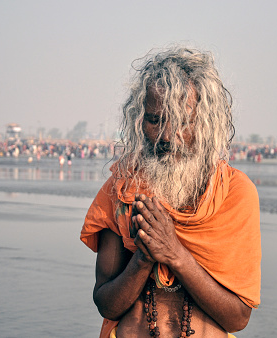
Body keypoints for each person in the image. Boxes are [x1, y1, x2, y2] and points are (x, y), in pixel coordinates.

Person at [80, 47, 261, 338]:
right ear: (140, 120)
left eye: (182, 122)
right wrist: (143, 258)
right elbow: (106, 304)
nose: (167, 136)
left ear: (206, 123)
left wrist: (175, 253)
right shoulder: (122, 189)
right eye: (155, 120)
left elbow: (238, 317)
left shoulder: (234, 193)